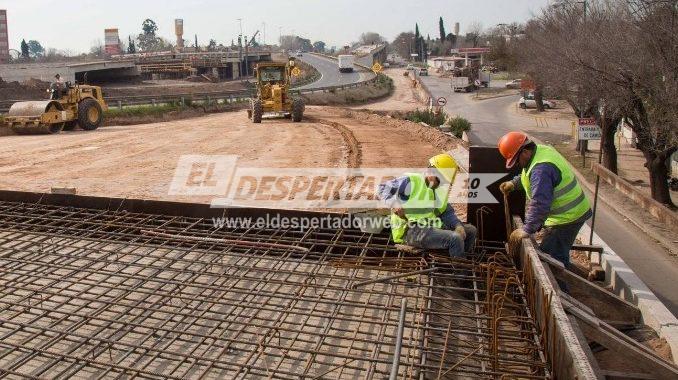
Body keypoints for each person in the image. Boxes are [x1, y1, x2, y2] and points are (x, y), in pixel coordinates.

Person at [498, 131, 591, 267]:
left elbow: (540, 203)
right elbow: (531, 177)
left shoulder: (541, 169)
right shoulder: (539, 151)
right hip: (571, 214)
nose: (517, 165)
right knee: (554, 255)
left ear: (524, 151)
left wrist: (527, 229)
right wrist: (514, 183)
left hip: (567, 218)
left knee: (552, 262)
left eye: (516, 160)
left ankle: (561, 289)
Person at [378, 153, 477, 258]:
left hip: (430, 227)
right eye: (441, 180)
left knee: (470, 231)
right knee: (455, 238)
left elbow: (445, 213)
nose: (442, 184)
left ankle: (455, 258)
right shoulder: (412, 180)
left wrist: (458, 225)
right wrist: (394, 203)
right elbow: (383, 188)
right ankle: (460, 273)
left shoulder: (437, 190)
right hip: (410, 230)